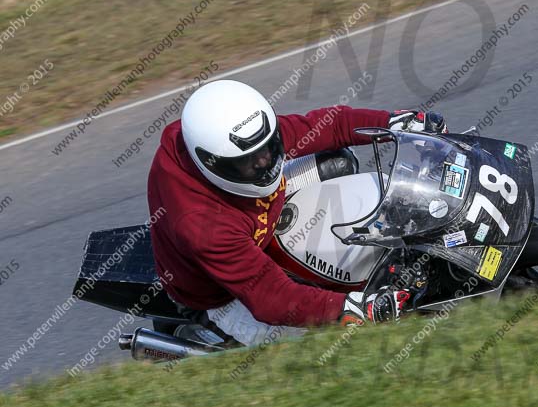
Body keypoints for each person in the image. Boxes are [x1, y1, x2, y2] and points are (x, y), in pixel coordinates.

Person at [147, 79, 446, 345]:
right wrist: (354, 309)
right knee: (321, 345)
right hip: (222, 295)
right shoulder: (203, 226)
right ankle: (209, 333)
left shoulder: (236, 135)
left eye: (269, 147)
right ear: (213, 164)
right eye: (249, 161)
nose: (265, 162)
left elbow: (328, 126)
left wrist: (394, 123)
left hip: (256, 217)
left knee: (339, 162)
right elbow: (272, 299)